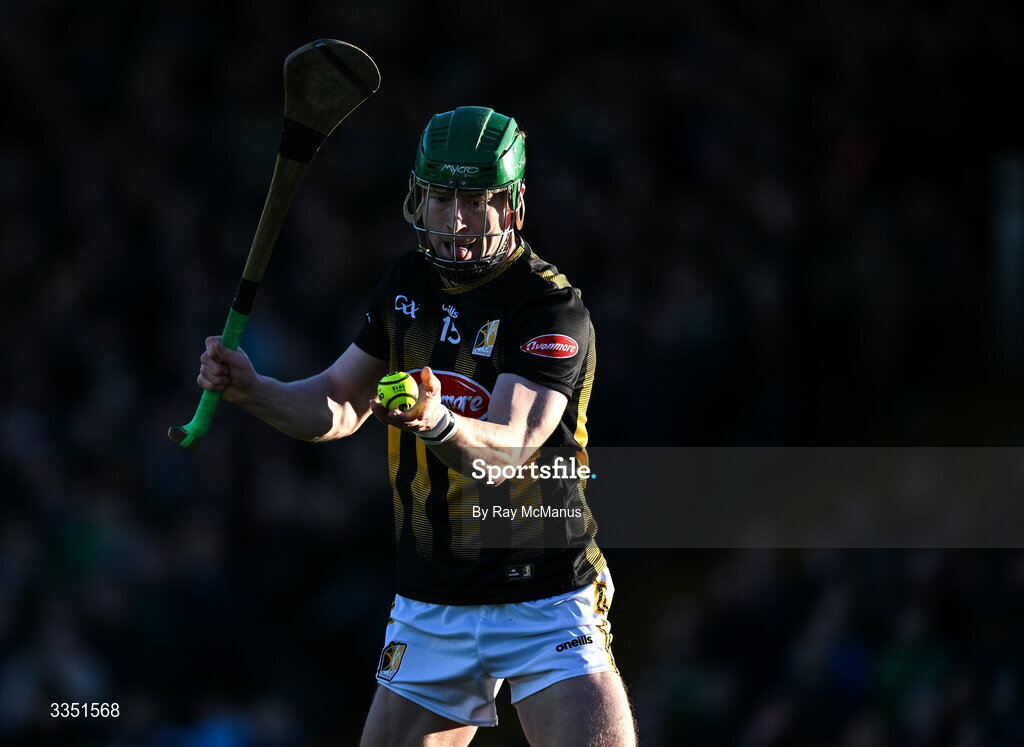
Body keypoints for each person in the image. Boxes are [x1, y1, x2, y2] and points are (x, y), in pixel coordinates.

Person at [195, 106, 635, 746]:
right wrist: (254, 389)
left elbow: (510, 444)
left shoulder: (549, 308)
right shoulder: (407, 284)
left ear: (511, 204)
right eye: (439, 198)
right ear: (417, 198)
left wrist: (434, 421)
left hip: (545, 592)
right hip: (433, 603)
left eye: (474, 200)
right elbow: (341, 403)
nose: (454, 220)